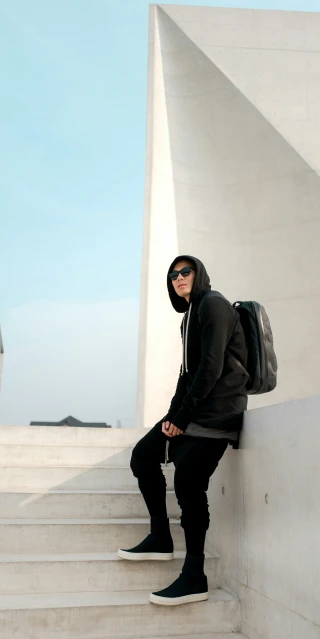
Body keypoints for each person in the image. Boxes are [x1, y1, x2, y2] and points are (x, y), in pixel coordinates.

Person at [117, 255, 248, 606]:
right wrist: (171, 418)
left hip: (219, 414)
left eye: (185, 271)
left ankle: (194, 576)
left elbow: (211, 367)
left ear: (199, 274)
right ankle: (160, 537)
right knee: (143, 456)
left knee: (188, 482)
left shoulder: (214, 305)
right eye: (173, 275)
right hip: (194, 414)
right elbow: (185, 375)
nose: (179, 278)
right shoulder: (191, 316)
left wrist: (184, 416)